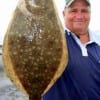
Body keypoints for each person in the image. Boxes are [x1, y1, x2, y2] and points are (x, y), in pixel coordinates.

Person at [43, 0, 100, 100]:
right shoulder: (50, 40)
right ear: (64, 14)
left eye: (84, 11)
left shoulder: (98, 41)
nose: (79, 16)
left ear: (90, 13)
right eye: (73, 11)